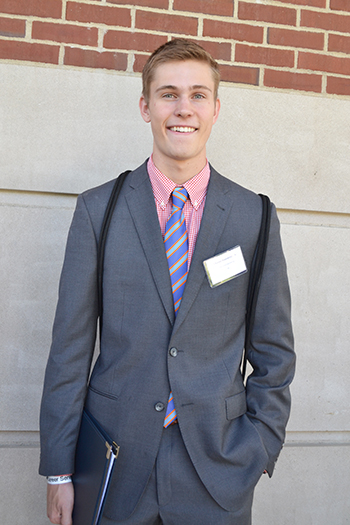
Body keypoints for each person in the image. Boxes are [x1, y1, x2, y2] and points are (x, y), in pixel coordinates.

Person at [39, 38, 295, 525]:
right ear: (146, 106)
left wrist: (260, 444)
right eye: (168, 94)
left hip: (218, 469)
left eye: (198, 95)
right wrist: (58, 471)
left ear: (216, 109)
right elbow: (69, 350)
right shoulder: (100, 210)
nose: (184, 108)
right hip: (114, 465)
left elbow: (274, 348)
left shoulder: (253, 216)